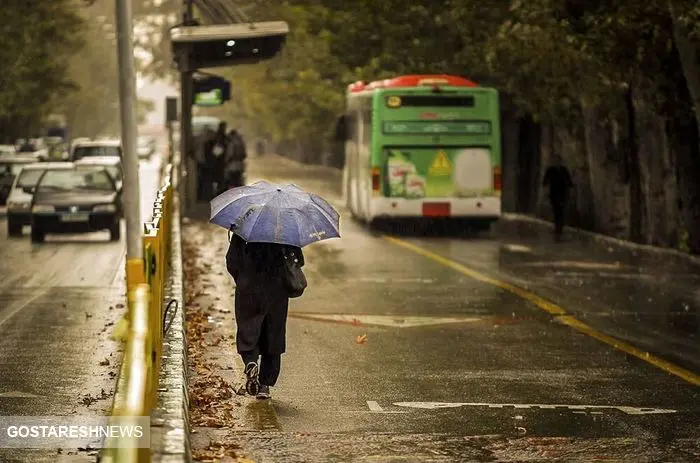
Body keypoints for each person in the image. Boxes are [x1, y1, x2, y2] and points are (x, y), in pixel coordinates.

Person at [225, 232, 305, 400]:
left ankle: (250, 362)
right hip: (276, 290)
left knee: (248, 329)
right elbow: (298, 260)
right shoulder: (286, 231)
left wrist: (242, 279)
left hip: (249, 287)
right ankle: (264, 385)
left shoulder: (244, 229)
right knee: (273, 334)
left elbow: (232, 261)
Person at [543, 156, 574, 238]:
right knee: (556, 210)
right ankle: (557, 227)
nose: (557, 162)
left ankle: (560, 227)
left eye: (558, 161)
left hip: (563, 193)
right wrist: (546, 192)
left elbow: (569, 181)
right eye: (555, 161)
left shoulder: (564, 170)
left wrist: (570, 190)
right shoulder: (550, 170)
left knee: (561, 210)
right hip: (554, 193)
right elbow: (545, 182)